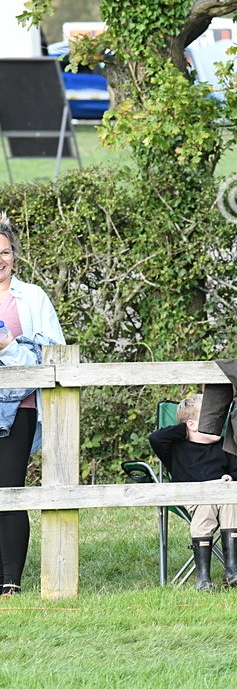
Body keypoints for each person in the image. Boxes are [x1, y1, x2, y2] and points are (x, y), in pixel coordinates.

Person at [0, 213, 64, 596]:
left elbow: (51, 355)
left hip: (16, 409)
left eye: (5, 252)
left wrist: (9, 348)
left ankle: (10, 581)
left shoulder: (33, 298)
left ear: (14, 257)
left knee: (9, 490)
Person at [149, 394, 237, 591]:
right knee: (205, 507)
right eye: (212, 418)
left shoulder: (225, 445)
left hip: (225, 494)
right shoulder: (176, 448)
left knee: (231, 504)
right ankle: (203, 577)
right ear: (192, 425)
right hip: (194, 497)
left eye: (219, 417)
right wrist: (188, 430)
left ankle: (231, 569)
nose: (219, 422)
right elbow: (155, 438)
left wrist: (231, 479)